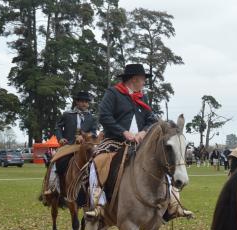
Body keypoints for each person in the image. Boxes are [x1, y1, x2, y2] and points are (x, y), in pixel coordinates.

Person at [85, 64, 191, 221]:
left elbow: (151, 118)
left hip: (141, 143)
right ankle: (98, 204)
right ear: (134, 79)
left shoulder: (142, 97)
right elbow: (105, 116)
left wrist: (143, 131)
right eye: (142, 80)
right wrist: (123, 132)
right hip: (115, 141)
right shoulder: (113, 93)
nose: (144, 83)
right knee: (97, 162)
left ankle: (174, 204)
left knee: (164, 162)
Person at [44, 91, 98, 195]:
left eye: (86, 102)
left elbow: (94, 133)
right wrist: (60, 138)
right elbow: (58, 127)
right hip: (68, 145)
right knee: (57, 162)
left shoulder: (91, 117)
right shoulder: (67, 114)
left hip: (85, 147)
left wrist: (84, 136)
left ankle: (96, 189)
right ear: (77, 102)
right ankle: (54, 185)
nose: (84, 104)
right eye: (82, 101)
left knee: (96, 164)